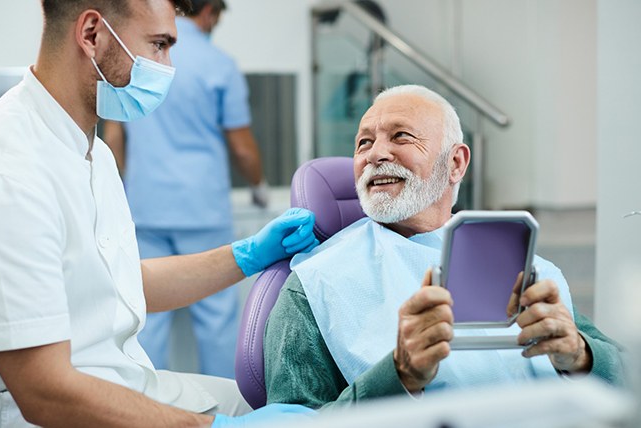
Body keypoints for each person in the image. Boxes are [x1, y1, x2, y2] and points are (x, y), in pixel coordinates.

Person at [0, 1, 318, 427]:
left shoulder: (92, 153)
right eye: (159, 46)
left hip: (118, 380)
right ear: (92, 34)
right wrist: (209, 427)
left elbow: (122, 284)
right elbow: (44, 392)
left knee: (278, 402)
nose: (168, 66)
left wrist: (248, 255)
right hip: (43, 413)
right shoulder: (4, 173)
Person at [264, 84, 625, 409]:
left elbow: (627, 376)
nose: (376, 154)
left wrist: (581, 355)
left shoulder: (524, 265)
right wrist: (398, 375)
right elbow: (291, 421)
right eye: (364, 142)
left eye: (401, 136)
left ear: (455, 163)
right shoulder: (314, 286)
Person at [104, 0, 267, 378]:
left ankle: (146, 409)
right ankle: (225, 410)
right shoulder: (219, 63)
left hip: (145, 207)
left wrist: (131, 186)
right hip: (201, 209)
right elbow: (242, 146)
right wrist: (258, 186)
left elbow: (114, 136)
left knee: (144, 314)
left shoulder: (140, 59)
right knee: (217, 321)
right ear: (209, 10)